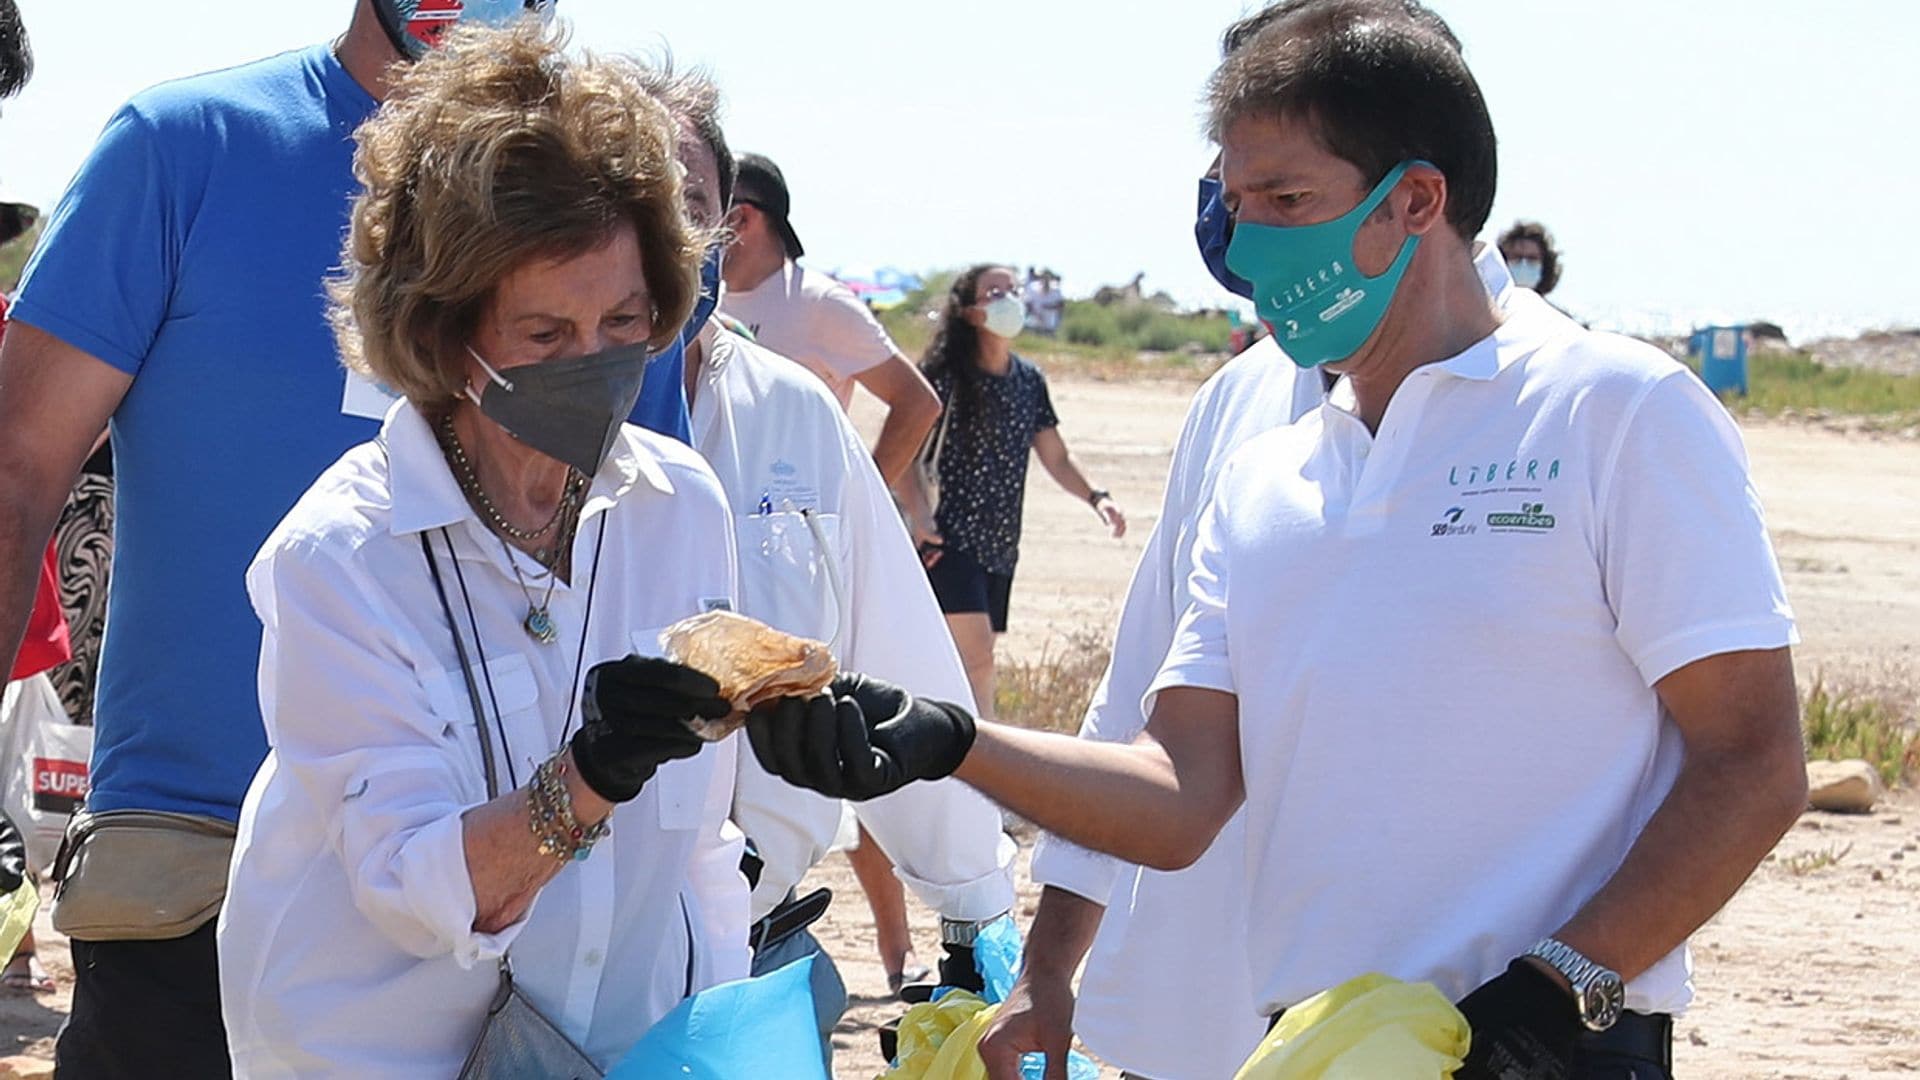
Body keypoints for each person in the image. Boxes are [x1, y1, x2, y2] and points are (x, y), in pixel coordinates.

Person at [748, 14, 1807, 1080]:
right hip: (1308, 1052)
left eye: (1286, 203)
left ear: (1417, 200)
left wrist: (1552, 995)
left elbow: (1753, 764)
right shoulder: (1267, 472)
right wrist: (950, 741)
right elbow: (1176, 794)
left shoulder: (1618, 412)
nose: (1250, 249)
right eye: (1236, 206)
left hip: (1552, 1048)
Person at [0, 2, 578, 1074]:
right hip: (195, 874)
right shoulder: (186, 147)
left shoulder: (596, 199)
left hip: (516, 879)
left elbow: (646, 537)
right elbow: (17, 471)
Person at [217, 25, 751, 1075]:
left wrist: (715, 1030)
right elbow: (419, 891)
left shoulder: (678, 505)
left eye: (626, 321)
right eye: (546, 336)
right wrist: (594, 773)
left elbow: (697, 847)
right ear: (441, 333)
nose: (595, 365)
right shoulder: (342, 558)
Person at [989, 6, 1476, 1077]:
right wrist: (1050, 960)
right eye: (1230, 183)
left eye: (1283, 191)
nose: (1242, 218)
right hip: (1188, 1008)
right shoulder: (1237, 407)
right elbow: (1138, 699)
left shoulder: (1577, 412)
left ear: (1412, 188)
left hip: (1419, 1033)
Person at [648, 65, 1017, 1027]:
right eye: (626, 199)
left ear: (728, 223)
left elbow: (896, 647)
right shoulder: (506, 421)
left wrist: (975, 911)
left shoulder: (792, 413)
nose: (659, 232)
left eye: (688, 202)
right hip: (547, 959)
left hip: (762, 961)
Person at [899, 265, 1126, 722]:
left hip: (1001, 544)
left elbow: (1056, 457)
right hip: (947, 539)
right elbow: (904, 454)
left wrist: (1097, 497)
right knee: (978, 659)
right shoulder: (943, 377)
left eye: (1012, 289)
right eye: (994, 291)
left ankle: (945, 746)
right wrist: (921, 517)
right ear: (969, 312)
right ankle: (983, 758)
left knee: (966, 660)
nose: (1008, 298)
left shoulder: (1028, 381)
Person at [717, 152, 941, 486]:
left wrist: (862, 501)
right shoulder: (706, 302)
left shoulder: (820, 303)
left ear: (741, 217)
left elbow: (918, 403)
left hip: (791, 520)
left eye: (701, 205)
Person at [1499, 219, 1562, 296]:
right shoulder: (1482, 306)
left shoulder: (1547, 308)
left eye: (1532, 258)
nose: (1523, 264)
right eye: (1516, 257)